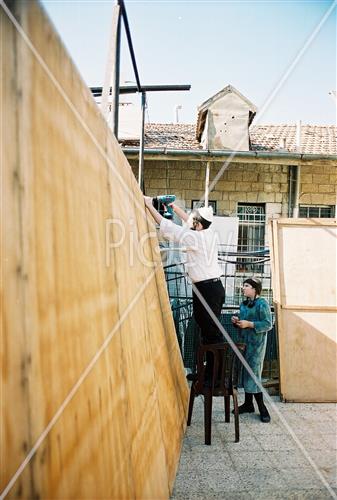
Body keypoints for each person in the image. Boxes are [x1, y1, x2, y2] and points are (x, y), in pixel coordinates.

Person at [144, 196, 225, 375]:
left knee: (211, 332)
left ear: (198, 224)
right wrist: (174, 206)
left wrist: (150, 206)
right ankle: (210, 372)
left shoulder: (195, 238)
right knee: (208, 330)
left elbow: (170, 228)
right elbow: (189, 221)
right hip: (211, 288)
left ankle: (215, 375)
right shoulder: (208, 232)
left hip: (207, 290)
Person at [231, 277, 272, 423]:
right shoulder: (244, 304)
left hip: (257, 346)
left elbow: (268, 324)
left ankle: (262, 409)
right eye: (243, 286)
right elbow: (243, 323)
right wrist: (237, 322)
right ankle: (248, 404)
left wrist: (250, 324)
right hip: (244, 344)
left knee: (253, 375)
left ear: (255, 289)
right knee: (246, 373)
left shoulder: (262, 304)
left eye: (246, 286)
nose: (243, 288)